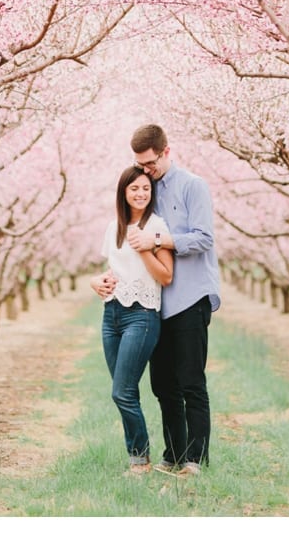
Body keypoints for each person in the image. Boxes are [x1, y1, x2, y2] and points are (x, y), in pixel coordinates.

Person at [94, 124, 220, 476]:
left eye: (150, 163)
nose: (145, 171)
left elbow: (203, 238)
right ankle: (173, 456)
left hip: (189, 297)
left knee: (190, 381)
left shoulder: (192, 186)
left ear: (166, 152)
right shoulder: (150, 189)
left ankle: (195, 460)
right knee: (163, 386)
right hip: (156, 304)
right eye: (139, 165)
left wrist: (158, 241)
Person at [100, 165, 174, 475]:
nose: (141, 193)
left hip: (141, 315)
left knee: (122, 391)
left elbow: (166, 276)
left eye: (145, 188)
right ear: (124, 193)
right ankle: (138, 456)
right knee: (122, 390)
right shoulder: (113, 227)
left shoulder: (157, 226)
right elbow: (112, 270)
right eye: (134, 189)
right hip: (111, 313)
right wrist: (97, 283)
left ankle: (139, 459)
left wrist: (145, 247)